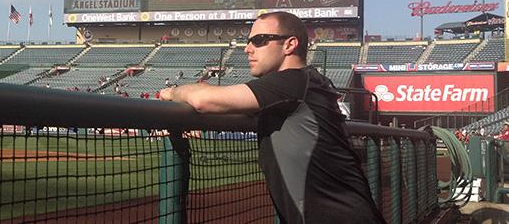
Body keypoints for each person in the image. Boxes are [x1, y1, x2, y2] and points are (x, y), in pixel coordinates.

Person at [159, 11, 384, 224]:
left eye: (259, 40)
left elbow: (203, 100)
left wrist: (171, 92)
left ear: (290, 44)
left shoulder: (292, 81)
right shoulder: (301, 84)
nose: (248, 49)